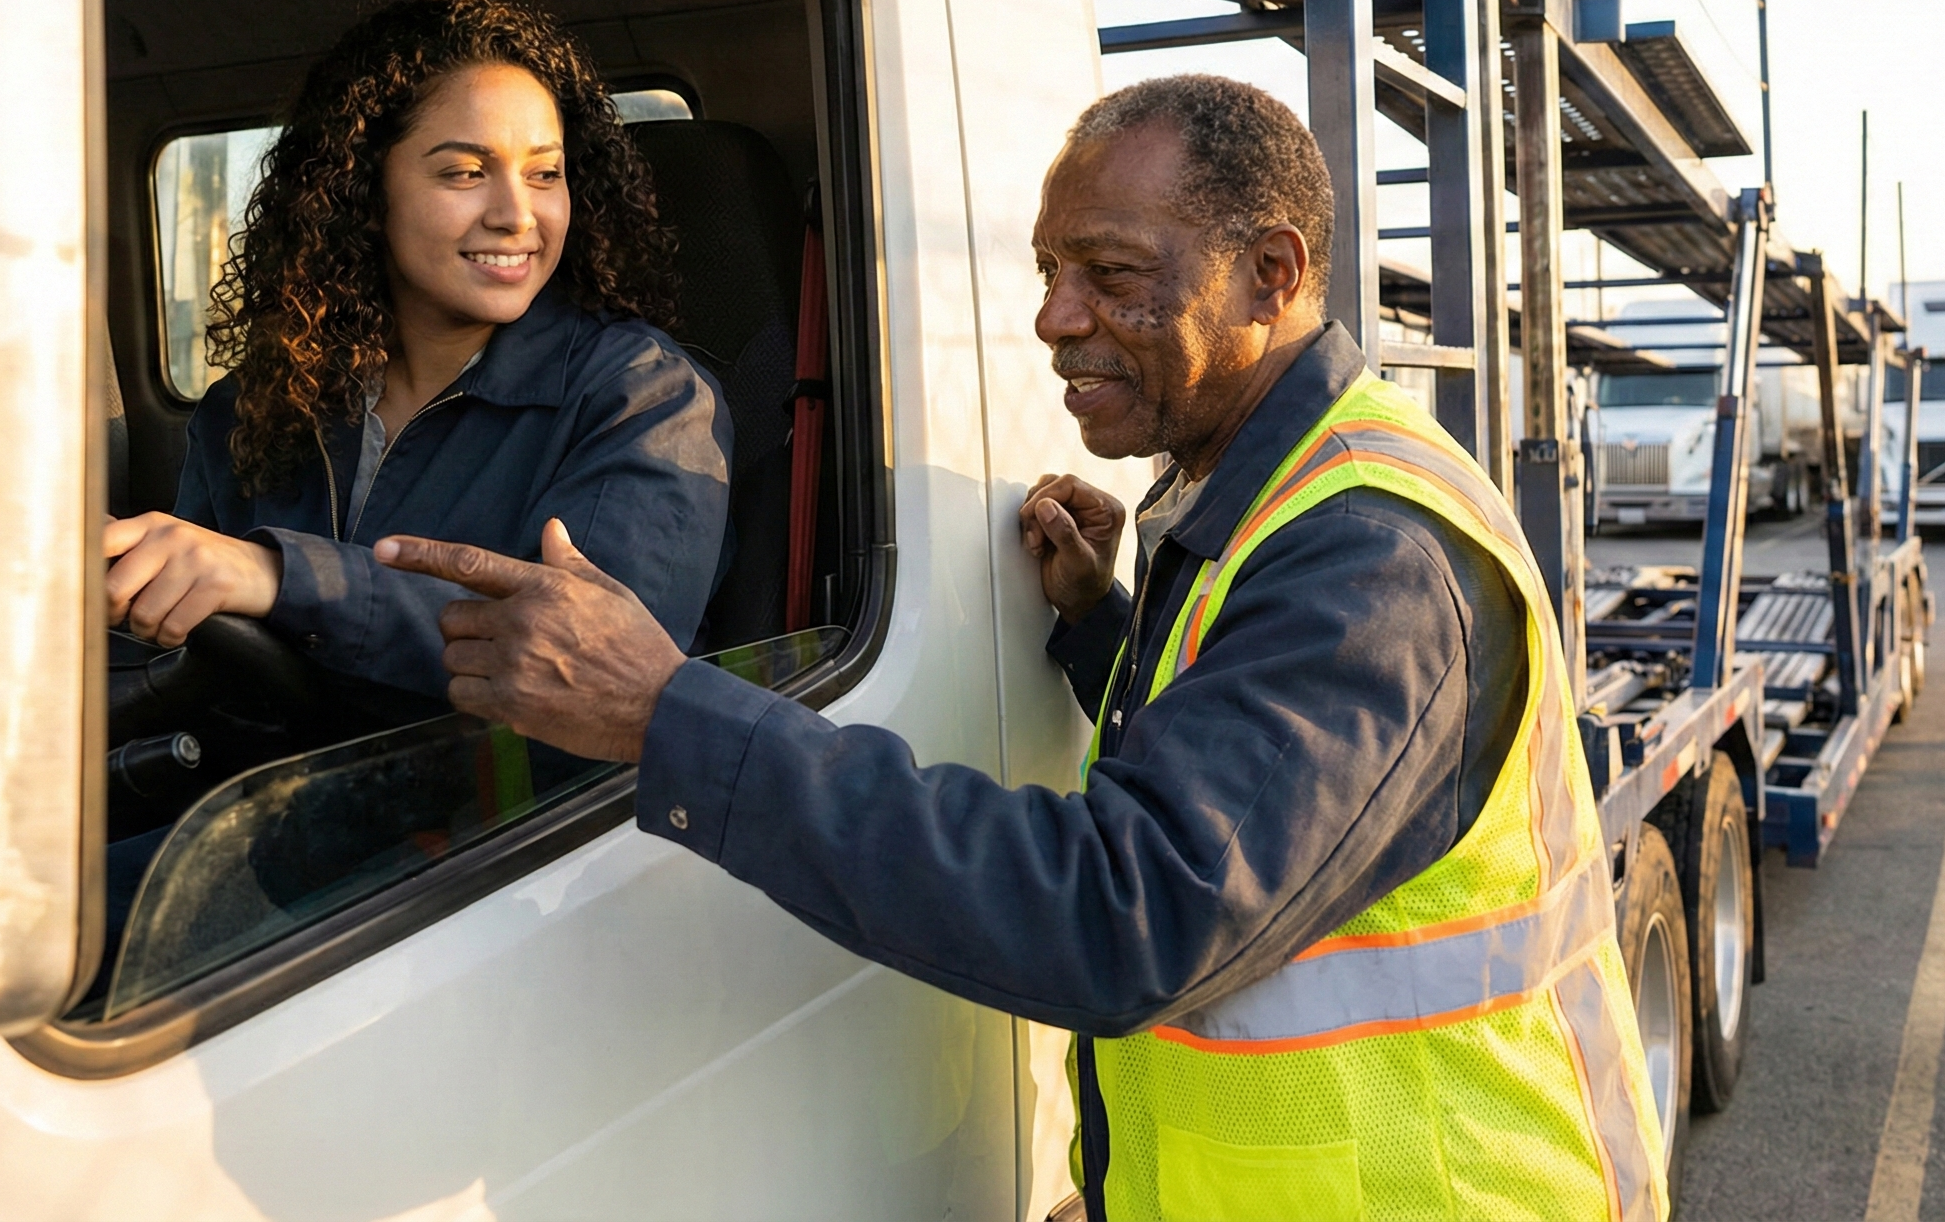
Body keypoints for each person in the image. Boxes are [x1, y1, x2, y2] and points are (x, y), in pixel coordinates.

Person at [378, 75, 1666, 1221]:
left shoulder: (1371, 557)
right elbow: (1271, 804)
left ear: (1269, 275)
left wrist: (665, 712)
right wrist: (1102, 624)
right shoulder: (1244, 494)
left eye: (1109, 273)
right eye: (1048, 269)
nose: (1053, 318)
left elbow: (1130, 914)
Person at [103, 0, 731, 703]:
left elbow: (588, 667)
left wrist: (275, 577)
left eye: (545, 173)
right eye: (466, 172)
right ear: (364, 196)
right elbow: (188, 661)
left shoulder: (647, 401)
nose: (516, 215)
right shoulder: (251, 407)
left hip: (522, 814)